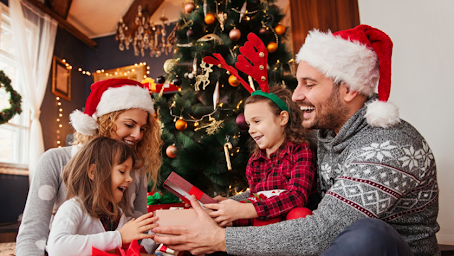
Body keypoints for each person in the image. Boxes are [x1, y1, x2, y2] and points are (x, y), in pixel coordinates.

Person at [153, 25, 440, 256]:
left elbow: (324, 230)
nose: (297, 95)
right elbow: (277, 189)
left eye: (309, 84)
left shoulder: (388, 145)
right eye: (298, 82)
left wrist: (220, 239)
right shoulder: (323, 135)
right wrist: (228, 205)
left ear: (350, 89)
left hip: (384, 248)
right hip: (331, 242)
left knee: (368, 234)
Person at [16, 78, 163, 255]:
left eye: (143, 128)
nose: (137, 135)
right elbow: (33, 231)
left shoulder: (136, 170)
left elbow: (139, 230)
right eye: (129, 125)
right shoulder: (55, 160)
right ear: (104, 120)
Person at [205, 86, 316, 227]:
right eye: (248, 124)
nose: (251, 130)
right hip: (265, 219)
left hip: (291, 221)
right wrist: (231, 206)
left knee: (299, 214)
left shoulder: (300, 151)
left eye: (257, 121)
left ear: (282, 118)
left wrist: (245, 209)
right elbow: (256, 197)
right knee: (231, 219)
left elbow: (298, 196)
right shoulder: (255, 161)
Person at [46, 137, 157, 256]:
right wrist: (119, 237)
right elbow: (57, 248)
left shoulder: (118, 214)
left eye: (129, 173)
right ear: (93, 172)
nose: (130, 179)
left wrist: (154, 238)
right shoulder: (73, 208)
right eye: (122, 171)